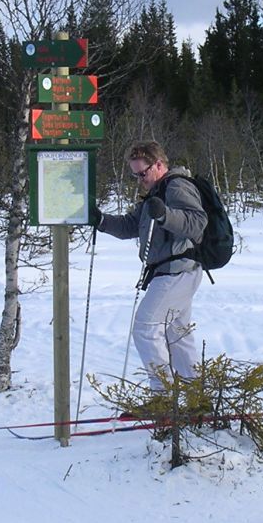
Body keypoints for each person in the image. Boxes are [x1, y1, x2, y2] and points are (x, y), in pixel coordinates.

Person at [93, 141, 208, 390]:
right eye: (135, 174)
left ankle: (163, 397)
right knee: (178, 334)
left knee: (145, 328)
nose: (139, 179)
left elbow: (198, 222)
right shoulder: (155, 194)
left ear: (158, 165)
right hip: (170, 272)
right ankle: (194, 395)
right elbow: (130, 226)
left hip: (178, 271)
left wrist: (165, 214)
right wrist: (101, 221)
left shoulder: (176, 186)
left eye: (142, 173)